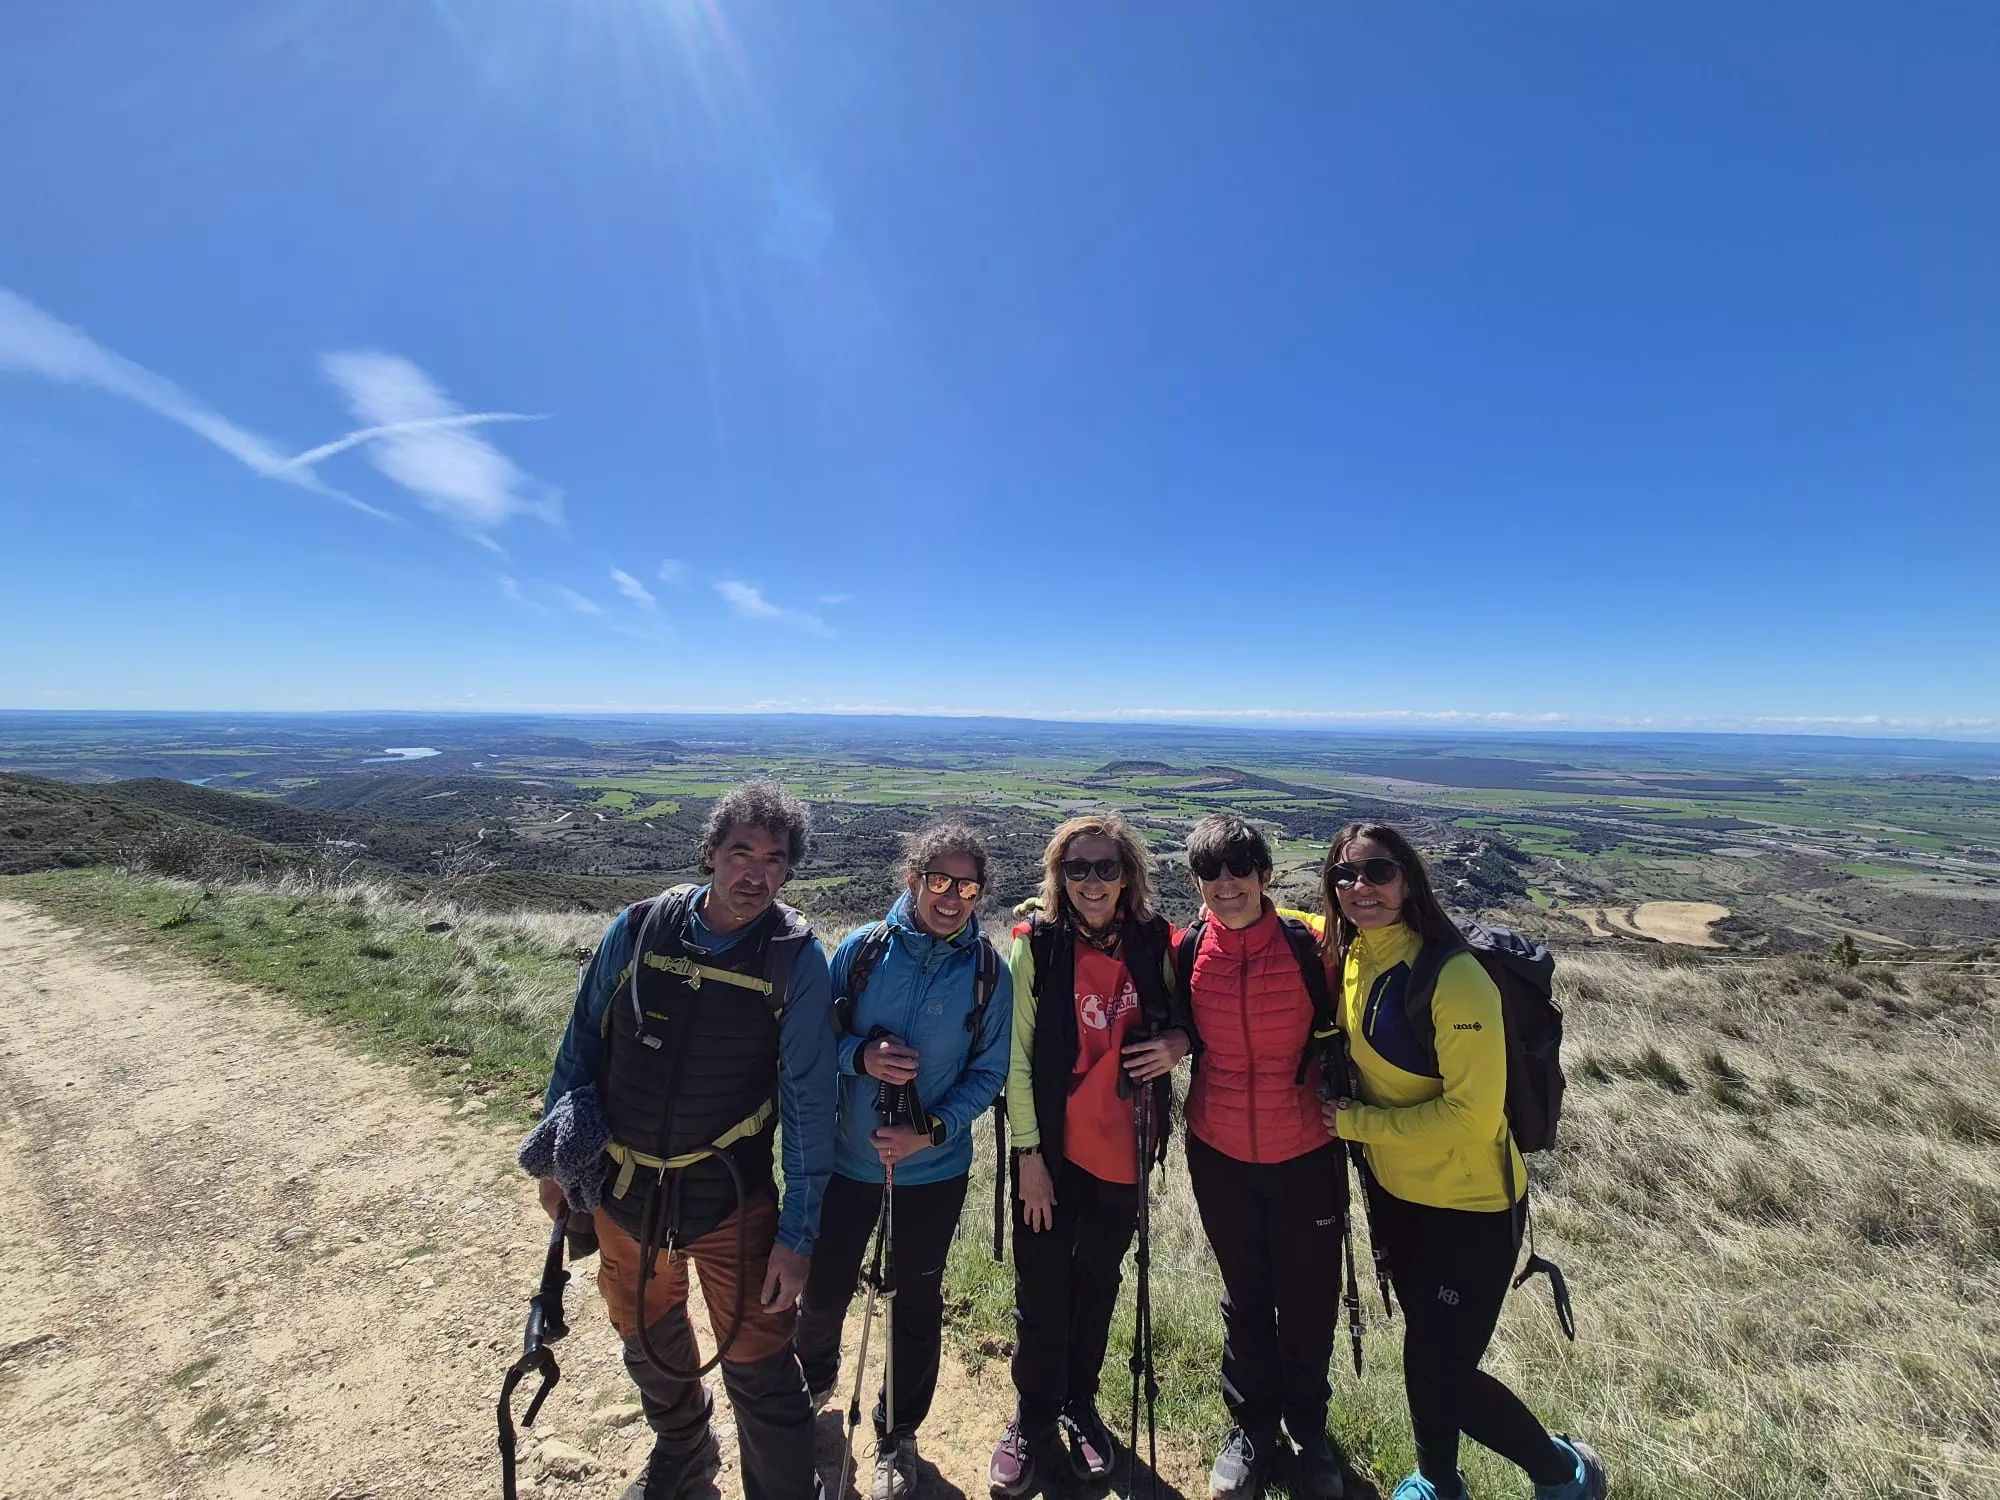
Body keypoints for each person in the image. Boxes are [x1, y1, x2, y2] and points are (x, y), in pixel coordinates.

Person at [533, 781, 835, 1500]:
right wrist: (554, 1157)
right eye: (740, 853)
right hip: (622, 1192)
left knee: (760, 1360)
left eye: (774, 859)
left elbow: (809, 1102)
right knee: (645, 1334)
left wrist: (799, 1234)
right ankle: (684, 1452)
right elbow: (581, 1043)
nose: (754, 873)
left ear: (788, 871)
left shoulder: (795, 959)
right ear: (709, 852)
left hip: (728, 1200)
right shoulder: (639, 927)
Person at [1318, 823, 1608, 1500]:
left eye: (1379, 872)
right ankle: (1439, 1481)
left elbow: (1471, 1117)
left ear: (1409, 879)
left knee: (1439, 1368)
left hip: (1471, 1205)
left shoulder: (1453, 976)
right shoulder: (1357, 952)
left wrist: (1354, 1123)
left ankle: (1566, 1471)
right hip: (1398, 1196)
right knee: (1428, 1353)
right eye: (1345, 876)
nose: (1362, 888)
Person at [797, 819, 1014, 1500]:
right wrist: (859, 1056)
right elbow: (814, 1040)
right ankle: (811, 1387)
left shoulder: (988, 974)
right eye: (939, 881)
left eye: (968, 886)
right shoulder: (862, 951)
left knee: (915, 1301)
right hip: (847, 1163)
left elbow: (990, 1073)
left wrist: (935, 1131)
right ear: (913, 879)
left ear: (981, 894)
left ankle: (899, 1432)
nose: (952, 897)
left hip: (932, 1173)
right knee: (825, 1288)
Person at [989, 812, 1192, 1499]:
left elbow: (1184, 1019)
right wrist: (1029, 1157)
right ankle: (1031, 1416)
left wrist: (1179, 1045)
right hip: (1053, 1154)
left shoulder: (1155, 943)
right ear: (1059, 876)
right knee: (1041, 1292)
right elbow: (1015, 1058)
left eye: (1107, 867)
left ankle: (1080, 1405)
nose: (1093, 881)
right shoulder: (1036, 946)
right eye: (1078, 868)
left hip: (1127, 1154)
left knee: (1098, 1286)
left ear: (1128, 873)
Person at [1176, 814, 1363, 1500]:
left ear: (1264, 875)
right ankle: (1252, 1430)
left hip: (1308, 1151)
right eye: (1211, 872)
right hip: (1219, 1151)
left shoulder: (1312, 942)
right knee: (1247, 1299)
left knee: (1309, 1302)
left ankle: (1311, 1435)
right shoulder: (1187, 946)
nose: (1226, 884)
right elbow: (1167, 1019)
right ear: (1196, 882)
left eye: (1239, 869)